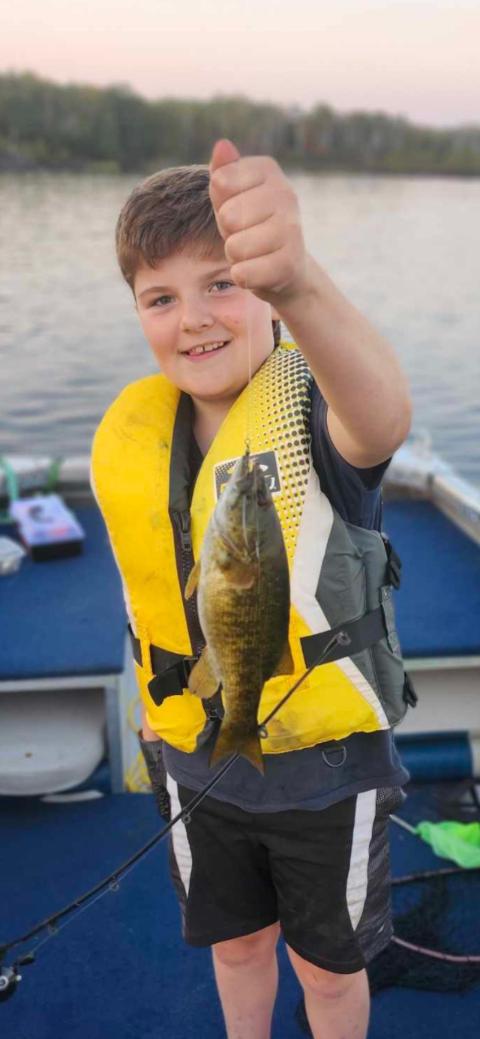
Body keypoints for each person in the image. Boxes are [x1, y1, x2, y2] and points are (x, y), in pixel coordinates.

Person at [91, 138, 413, 1039]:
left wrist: (298, 280)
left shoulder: (317, 417)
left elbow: (382, 417)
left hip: (324, 770)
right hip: (197, 756)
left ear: (266, 298)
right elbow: (152, 592)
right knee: (235, 946)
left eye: (222, 283)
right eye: (161, 297)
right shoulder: (144, 437)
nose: (192, 318)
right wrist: (156, 704)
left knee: (328, 969)